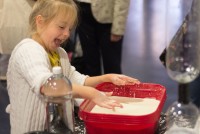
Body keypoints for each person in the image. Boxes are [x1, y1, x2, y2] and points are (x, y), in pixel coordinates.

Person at [6, 0, 140, 134]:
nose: (67, 34)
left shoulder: (60, 53)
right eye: (61, 27)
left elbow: (75, 79)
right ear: (40, 21)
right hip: (31, 129)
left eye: (70, 29)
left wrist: (106, 78)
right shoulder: (28, 50)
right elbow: (48, 85)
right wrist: (91, 93)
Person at [75, 0, 130, 76]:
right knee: (90, 66)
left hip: (108, 16)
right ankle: (92, 88)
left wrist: (118, 27)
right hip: (81, 11)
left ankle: (114, 88)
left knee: (112, 66)